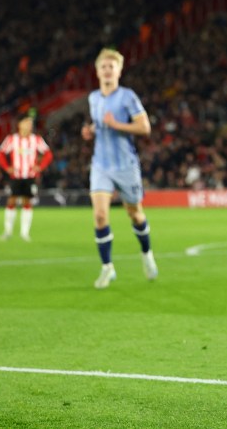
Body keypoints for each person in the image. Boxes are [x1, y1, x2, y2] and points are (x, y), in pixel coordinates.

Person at [81, 48, 158, 289]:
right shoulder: (93, 98)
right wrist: (90, 131)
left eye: (111, 66)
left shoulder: (127, 97)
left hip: (125, 165)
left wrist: (117, 125)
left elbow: (144, 128)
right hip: (101, 164)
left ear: (119, 70)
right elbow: (99, 124)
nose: (107, 70)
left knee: (135, 214)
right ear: (97, 71)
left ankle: (146, 254)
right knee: (100, 216)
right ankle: (107, 268)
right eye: (103, 66)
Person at [0, 108, 52, 241]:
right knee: (11, 201)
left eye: (30, 123)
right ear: (20, 124)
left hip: (30, 176)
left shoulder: (36, 139)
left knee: (27, 202)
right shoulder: (12, 139)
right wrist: (7, 167)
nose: (29, 125)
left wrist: (40, 167)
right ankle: (8, 232)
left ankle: (24, 233)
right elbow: (0, 153)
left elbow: (48, 154)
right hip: (16, 176)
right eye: (27, 122)